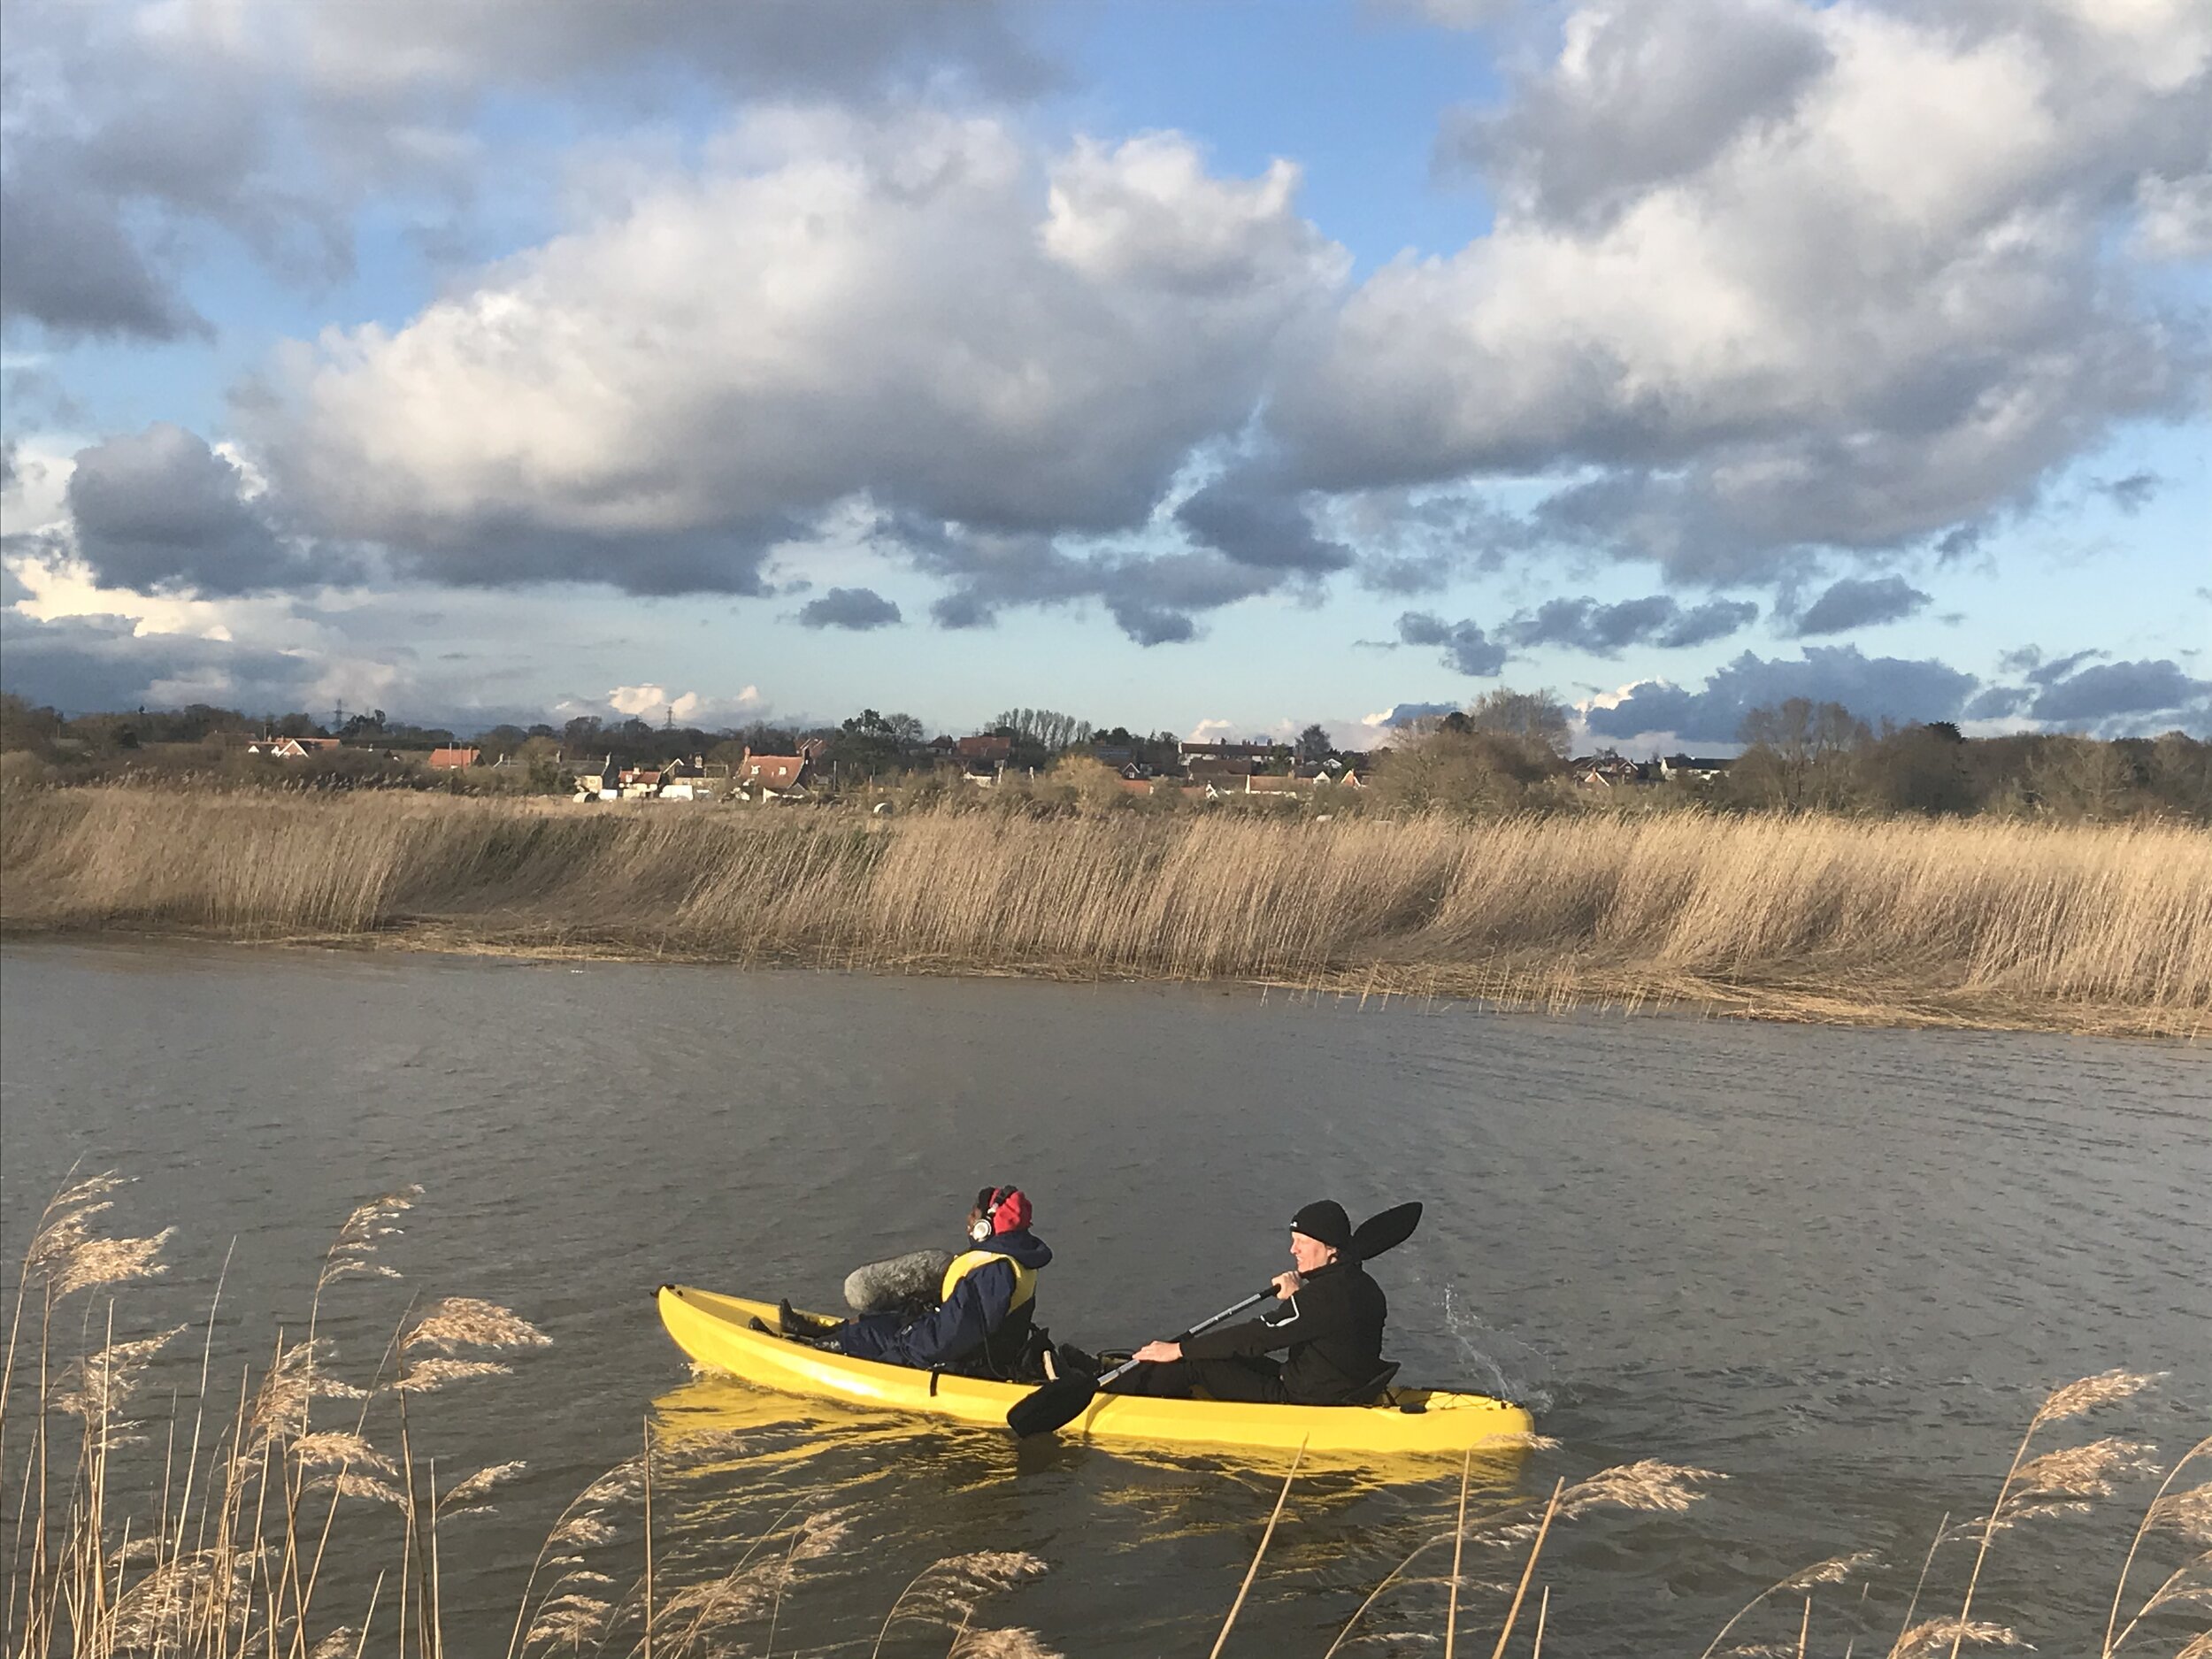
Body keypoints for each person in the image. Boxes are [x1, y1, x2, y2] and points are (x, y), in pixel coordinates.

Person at [1109, 1200, 1388, 1404]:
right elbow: (1323, 1326)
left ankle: (1112, 1390)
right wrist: (1295, 1295)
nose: (1293, 1250)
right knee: (1224, 1354)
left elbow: (1257, 1337)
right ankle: (1113, 1371)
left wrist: (1180, 1350)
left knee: (1199, 1362)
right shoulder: (1363, 1285)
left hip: (1304, 1399)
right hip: (1339, 1384)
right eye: (1293, 1240)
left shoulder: (1320, 1296)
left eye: (1302, 1241)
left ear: (1330, 1248)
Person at [776, 1185, 1052, 1379]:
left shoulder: (995, 1272)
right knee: (879, 1320)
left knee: (870, 1336)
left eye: (974, 1214)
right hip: (968, 1351)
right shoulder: (1008, 1259)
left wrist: (900, 1352)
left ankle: (802, 1353)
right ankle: (810, 1332)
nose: (968, 1220)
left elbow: (953, 1334)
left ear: (988, 1225)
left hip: (969, 1365)